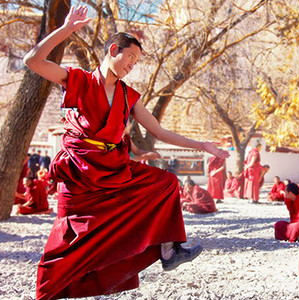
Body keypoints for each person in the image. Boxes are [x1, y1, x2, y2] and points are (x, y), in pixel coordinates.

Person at [23, 6, 229, 299]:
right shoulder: (77, 80)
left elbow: (160, 132)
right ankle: (49, 290)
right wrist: (68, 29)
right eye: (130, 56)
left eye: (137, 61)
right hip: (80, 171)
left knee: (167, 183)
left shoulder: (128, 95)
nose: (133, 64)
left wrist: (203, 146)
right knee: (67, 235)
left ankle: (169, 250)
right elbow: (33, 61)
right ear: (113, 50)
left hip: (113, 169)